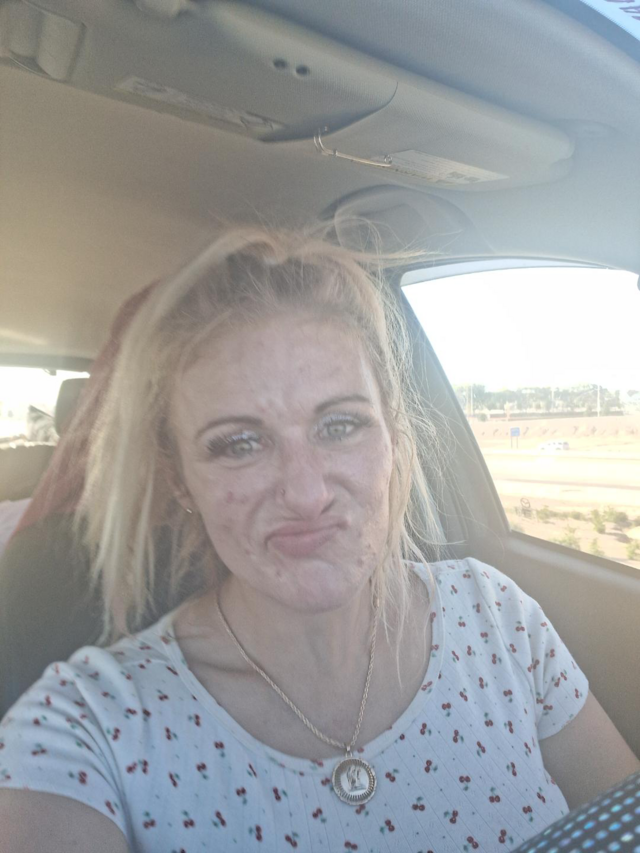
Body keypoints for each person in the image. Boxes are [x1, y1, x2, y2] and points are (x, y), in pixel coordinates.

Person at [0, 226, 637, 853]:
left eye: (340, 425)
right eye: (239, 444)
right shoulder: (84, 729)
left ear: (393, 437)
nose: (307, 494)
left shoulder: (495, 615)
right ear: (179, 479)